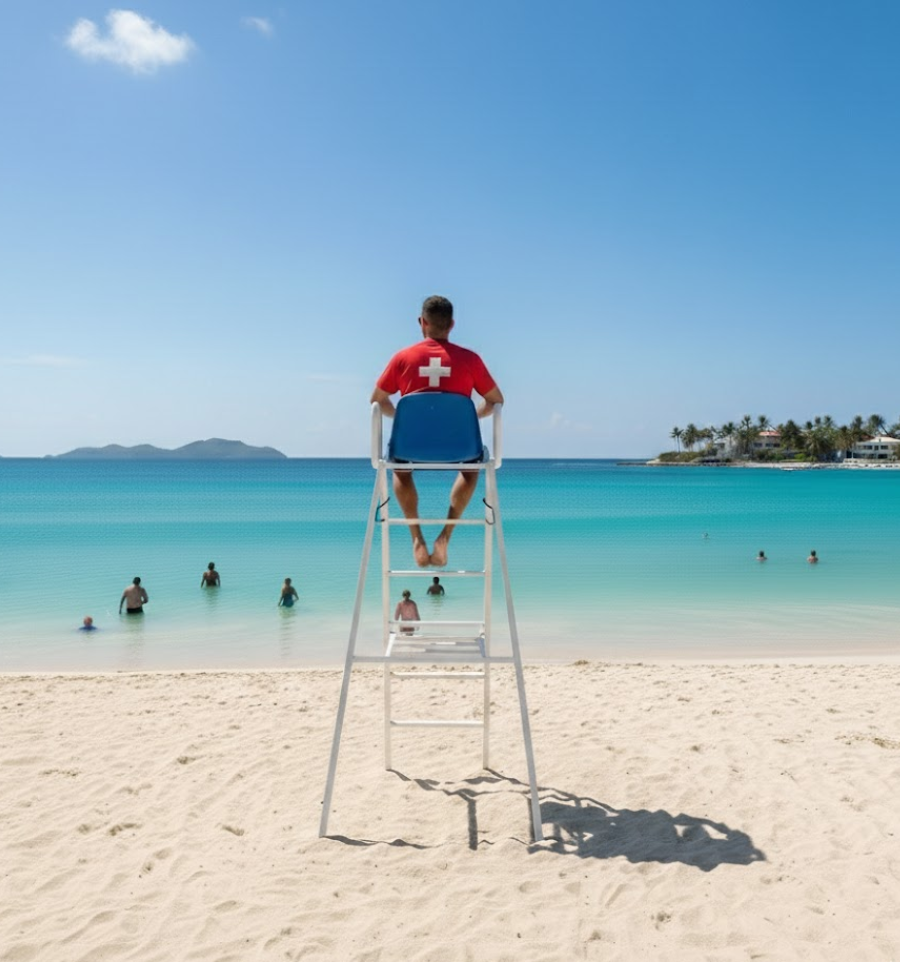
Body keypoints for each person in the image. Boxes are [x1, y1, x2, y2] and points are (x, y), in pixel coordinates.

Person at [371, 295, 503, 567]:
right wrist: (471, 417)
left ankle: (417, 538)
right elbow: (496, 401)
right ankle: (445, 536)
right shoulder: (470, 359)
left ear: (422, 322)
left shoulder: (403, 358)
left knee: (400, 470)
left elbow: (377, 400)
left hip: (411, 445)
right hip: (459, 446)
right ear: (451, 324)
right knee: (471, 470)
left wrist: (402, 419)